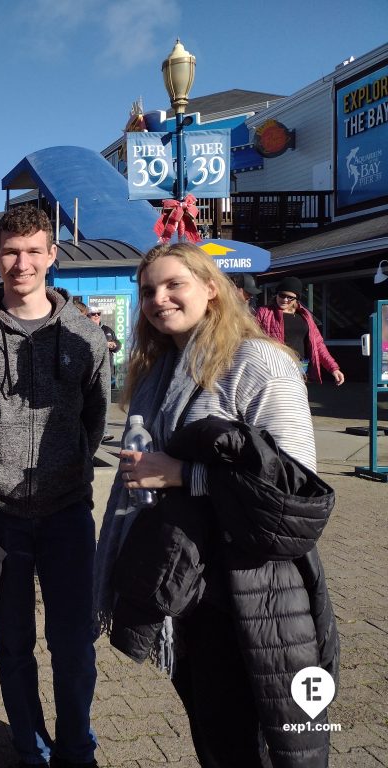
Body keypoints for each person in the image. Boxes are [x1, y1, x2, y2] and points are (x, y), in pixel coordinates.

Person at [94, 243, 338, 768]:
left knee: (262, 738)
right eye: (148, 291)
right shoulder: (159, 369)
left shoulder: (259, 364)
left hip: (252, 586)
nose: (159, 299)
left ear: (211, 288)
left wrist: (185, 474)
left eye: (173, 284)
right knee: (213, 728)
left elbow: (300, 492)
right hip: (184, 579)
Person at [0, 206, 108, 768]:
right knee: (15, 644)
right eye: (11, 252)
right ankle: (30, 744)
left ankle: (76, 746)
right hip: (1, 517)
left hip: (68, 510)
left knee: (73, 643)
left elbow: (96, 416)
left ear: (51, 255)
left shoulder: (83, 334)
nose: (21, 263)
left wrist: (70, 463)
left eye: (33, 251)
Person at [255, 276, 345, 385]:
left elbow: (318, 344)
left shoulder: (305, 315)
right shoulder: (264, 312)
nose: (285, 299)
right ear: (276, 294)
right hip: (276, 366)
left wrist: (333, 368)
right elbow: (251, 339)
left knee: (297, 399)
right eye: (281, 295)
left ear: (296, 299)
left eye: (290, 297)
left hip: (301, 366)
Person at [88, 305, 121, 389]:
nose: (96, 316)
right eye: (93, 314)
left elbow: (118, 345)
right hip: (91, 372)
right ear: (88, 316)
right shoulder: (85, 329)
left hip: (107, 371)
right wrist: (104, 344)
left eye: (98, 314)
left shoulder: (107, 329)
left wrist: (114, 345)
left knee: (109, 397)